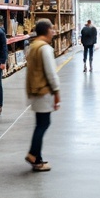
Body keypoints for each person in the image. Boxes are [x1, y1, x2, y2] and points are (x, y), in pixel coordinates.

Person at [25, 18, 60, 172]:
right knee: (43, 124)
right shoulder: (45, 48)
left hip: (34, 90)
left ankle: (37, 160)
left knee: (41, 124)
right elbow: (51, 73)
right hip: (43, 91)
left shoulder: (33, 46)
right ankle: (33, 154)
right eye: (52, 29)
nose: (53, 32)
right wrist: (57, 91)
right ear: (46, 30)